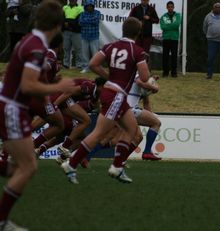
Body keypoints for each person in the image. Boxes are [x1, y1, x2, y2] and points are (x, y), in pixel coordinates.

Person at [0, 1, 74, 230]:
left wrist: (48, 87)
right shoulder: (36, 47)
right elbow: (29, 85)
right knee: (28, 167)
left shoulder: (30, 41)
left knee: (19, 168)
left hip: (13, 108)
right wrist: (60, 87)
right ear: (58, 25)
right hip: (13, 109)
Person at [61, 17, 149, 184]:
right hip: (116, 96)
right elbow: (144, 77)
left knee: (132, 130)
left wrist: (110, 77)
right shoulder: (137, 51)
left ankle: (117, 167)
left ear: (123, 30)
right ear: (138, 33)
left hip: (115, 94)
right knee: (99, 133)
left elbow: (93, 64)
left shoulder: (110, 46)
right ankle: (71, 164)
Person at [203, 2, 220, 80]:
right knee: (210, 58)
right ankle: (209, 74)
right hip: (211, 41)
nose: (217, 8)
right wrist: (210, 35)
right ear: (213, 8)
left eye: (219, 7)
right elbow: (204, 28)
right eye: (216, 7)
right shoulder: (208, 16)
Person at [160, 1, 181, 78]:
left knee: (174, 56)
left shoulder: (178, 15)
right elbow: (163, 27)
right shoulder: (163, 17)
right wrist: (171, 26)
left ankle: (174, 72)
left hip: (174, 38)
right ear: (167, 7)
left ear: (173, 7)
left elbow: (177, 25)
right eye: (169, 7)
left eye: (171, 6)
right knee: (165, 56)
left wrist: (168, 26)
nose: (170, 8)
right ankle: (165, 72)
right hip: (166, 38)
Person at [79, 0, 101, 74]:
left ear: (93, 6)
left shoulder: (97, 13)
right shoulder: (82, 13)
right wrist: (91, 20)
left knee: (95, 54)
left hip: (94, 36)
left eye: (91, 6)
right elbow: (80, 22)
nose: (89, 7)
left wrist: (86, 21)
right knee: (85, 54)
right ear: (85, 6)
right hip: (84, 36)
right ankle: (85, 68)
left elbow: (96, 21)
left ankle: (96, 68)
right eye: (88, 6)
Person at [62, 0, 84, 69]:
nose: (72, 0)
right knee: (66, 48)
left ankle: (79, 64)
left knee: (78, 49)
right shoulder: (64, 7)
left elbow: (79, 21)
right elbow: (62, 18)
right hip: (66, 32)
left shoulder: (81, 8)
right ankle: (66, 64)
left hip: (76, 32)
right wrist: (67, 23)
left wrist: (68, 23)